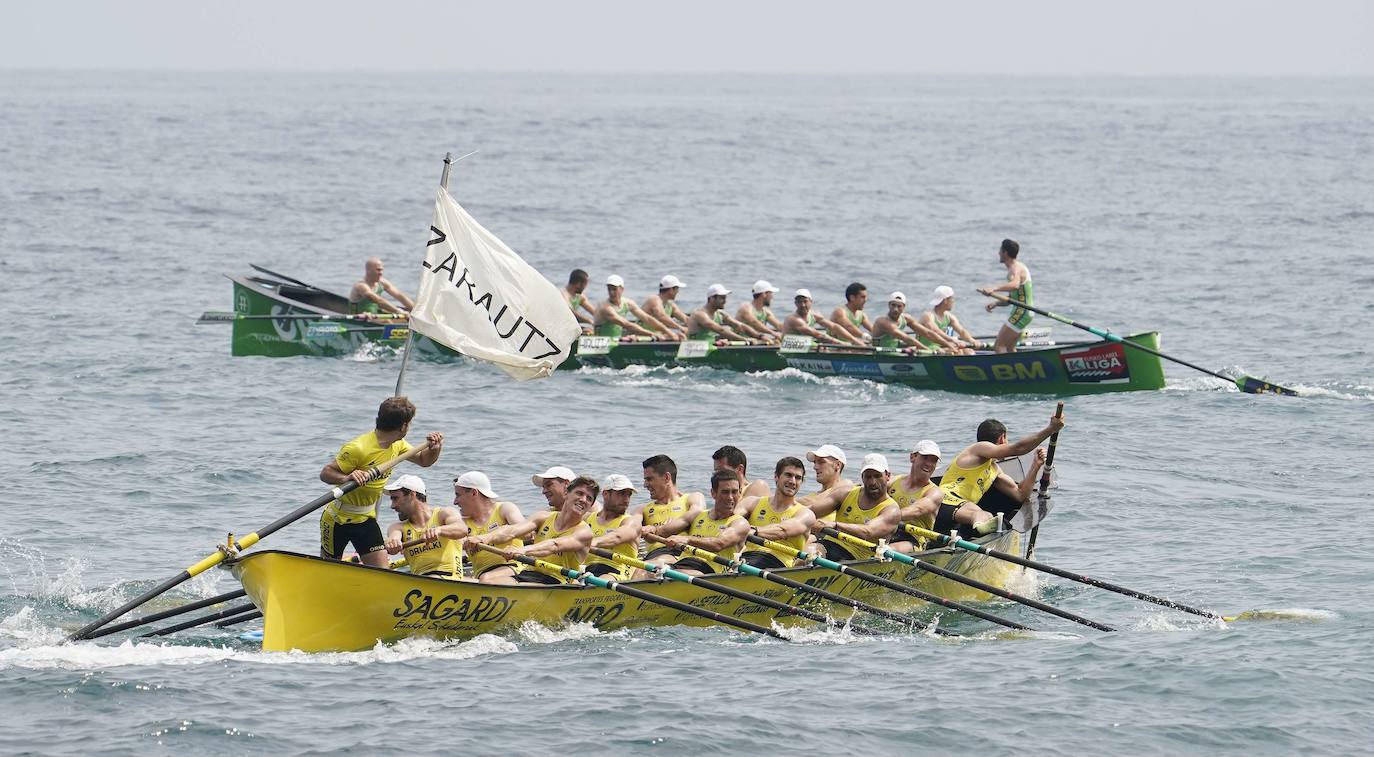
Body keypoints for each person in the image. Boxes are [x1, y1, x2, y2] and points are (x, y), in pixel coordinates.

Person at [319, 396, 443, 568]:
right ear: (403, 426)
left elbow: (424, 461)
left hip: (365, 519)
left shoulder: (398, 445)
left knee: (382, 571)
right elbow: (326, 473)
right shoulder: (358, 448)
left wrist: (435, 448)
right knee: (326, 569)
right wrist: (347, 478)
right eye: (410, 424)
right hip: (337, 520)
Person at [938, 416, 1063, 536]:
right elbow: (1019, 448)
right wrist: (1051, 429)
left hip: (956, 512)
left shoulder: (994, 469)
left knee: (980, 516)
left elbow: (1020, 494)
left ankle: (975, 530)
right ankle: (982, 527)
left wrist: (1035, 466)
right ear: (1002, 438)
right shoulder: (978, 448)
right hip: (942, 500)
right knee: (984, 515)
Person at [491, 477, 598, 585]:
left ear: (591, 506)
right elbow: (513, 531)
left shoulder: (584, 533)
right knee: (489, 582)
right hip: (529, 573)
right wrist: (483, 538)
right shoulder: (543, 517)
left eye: (589, 498)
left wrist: (522, 550)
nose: (583, 500)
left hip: (556, 581)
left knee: (507, 587)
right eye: (579, 493)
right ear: (566, 493)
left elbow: (554, 545)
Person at [806, 454, 902, 562]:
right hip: (829, 545)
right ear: (862, 478)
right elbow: (810, 512)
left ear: (888, 476)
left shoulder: (892, 510)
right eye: (868, 477)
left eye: (877, 476)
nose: (873, 482)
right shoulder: (845, 493)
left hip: (860, 558)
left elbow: (868, 531)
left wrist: (834, 525)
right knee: (808, 552)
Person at [660, 469, 752, 576]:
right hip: (682, 564)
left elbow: (718, 544)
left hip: (709, 570)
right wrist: (650, 529)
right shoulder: (698, 515)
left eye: (734, 492)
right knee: (644, 572)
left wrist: (688, 539)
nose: (730, 497)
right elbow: (663, 532)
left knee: (671, 575)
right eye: (725, 492)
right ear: (713, 493)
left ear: (740, 493)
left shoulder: (739, 523)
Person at [736, 457, 816, 569]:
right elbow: (731, 520)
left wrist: (753, 531)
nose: (792, 481)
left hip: (779, 563)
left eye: (798, 478)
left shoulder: (805, 514)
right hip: (746, 558)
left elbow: (782, 531)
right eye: (788, 475)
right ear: (776, 476)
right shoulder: (752, 503)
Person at [383, 474, 468, 578]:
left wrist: (439, 530)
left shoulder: (444, 514)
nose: (392, 506)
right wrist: (392, 542)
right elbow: (393, 536)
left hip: (451, 580)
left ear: (412, 495)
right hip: (422, 581)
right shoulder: (397, 527)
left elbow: (462, 529)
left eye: (395, 498)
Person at [454, 471, 528, 583]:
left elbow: (527, 534)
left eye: (458, 495)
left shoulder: (505, 509)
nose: (454, 502)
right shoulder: (461, 523)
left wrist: (490, 536)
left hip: (515, 569)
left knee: (486, 578)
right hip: (482, 576)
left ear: (474, 493)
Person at [638, 454, 707, 570]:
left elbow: (696, 513)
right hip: (656, 555)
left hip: (684, 554)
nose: (645, 485)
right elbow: (631, 527)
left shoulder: (692, 498)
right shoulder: (642, 509)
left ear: (666, 477)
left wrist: (657, 530)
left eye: (649, 479)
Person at [886, 440, 946, 554]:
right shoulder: (894, 481)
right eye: (925, 458)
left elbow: (917, 510)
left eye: (933, 460)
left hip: (913, 540)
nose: (929, 463)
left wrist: (883, 518)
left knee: (887, 550)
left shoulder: (935, 492)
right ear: (912, 457)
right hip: (887, 530)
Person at [977, 239, 1034, 353]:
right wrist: (996, 303)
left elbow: (1014, 285)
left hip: (1021, 312)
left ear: (1005, 253)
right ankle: (1017, 369)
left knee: (999, 346)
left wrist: (994, 288)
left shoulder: (1015, 268)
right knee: (1009, 348)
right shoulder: (1016, 268)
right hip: (1024, 312)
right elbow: (1013, 299)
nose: (998, 253)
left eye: (1000, 250)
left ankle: (1003, 370)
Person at [585, 474, 644, 579]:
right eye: (622, 494)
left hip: (616, 573)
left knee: (602, 579)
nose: (626, 500)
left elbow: (617, 537)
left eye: (629, 495)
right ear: (606, 494)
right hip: (588, 571)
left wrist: (592, 543)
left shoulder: (631, 521)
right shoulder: (587, 519)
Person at [871, 292, 966, 354]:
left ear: (904, 307)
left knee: (953, 350)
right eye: (893, 305)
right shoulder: (882, 322)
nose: (895, 309)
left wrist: (948, 344)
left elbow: (927, 333)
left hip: (896, 354)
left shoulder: (906, 318)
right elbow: (907, 338)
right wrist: (927, 350)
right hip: (881, 356)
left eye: (899, 306)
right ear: (889, 305)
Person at [594, 274, 672, 340]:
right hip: (600, 343)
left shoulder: (628, 302)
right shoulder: (605, 308)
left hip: (616, 340)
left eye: (614, 289)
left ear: (622, 289)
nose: (611, 292)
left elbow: (647, 318)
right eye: (609, 289)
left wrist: (668, 331)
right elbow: (627, 324)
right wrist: (653, 334)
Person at [686, 284, 767, 343]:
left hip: (712, 347)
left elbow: (740, 326)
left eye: (725, 298)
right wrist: (745, 340)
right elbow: (721, 330)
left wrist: (760, 336)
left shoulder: (720, 314)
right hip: (695, 350)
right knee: (727, 331)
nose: (725, 301)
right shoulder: (700, 315)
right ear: (712, 299)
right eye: (722, 298)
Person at [782, 289, 858, 346]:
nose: (802, 305)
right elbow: (818, 335)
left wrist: (854, 340)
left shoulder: (815, 315)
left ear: (811, 301)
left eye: (805, 301)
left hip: (805, 344)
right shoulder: (794, 319)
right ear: (795, 303)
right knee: (820, 345)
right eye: (799, 302)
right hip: (789, 346)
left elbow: (834, 327)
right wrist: (843, 344)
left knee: (818, 345)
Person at [918, 285, 981, 353]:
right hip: (926, 348)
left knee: (969, 351)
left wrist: (972, 340)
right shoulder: (928, 316)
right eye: (952, 298)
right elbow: (936, 331)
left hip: (942, 347)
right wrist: (953, 340)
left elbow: (962, 331)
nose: (953, 301)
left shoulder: (949, 317)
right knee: (957, 351)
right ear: (945, 300)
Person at [349, 257, 414, 317]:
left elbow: (400, 296)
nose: (381, 273)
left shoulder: (382, 282)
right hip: (359, 319)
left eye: (382, 270)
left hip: (374, 317)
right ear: (368, 270)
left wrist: (416, 310)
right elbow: (379, 301)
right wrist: (399, 311)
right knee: (387, 321)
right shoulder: (361, 286)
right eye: (378, 270)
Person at [640, 275, 690, 340]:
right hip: (643, 336)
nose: (678, 291)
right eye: (677, 289)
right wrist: (680, 327)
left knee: (682, 335)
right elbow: (662, 317)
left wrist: (698, 324)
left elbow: (685, 319)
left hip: (658, 336)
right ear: (671, 290)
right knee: (680, 335)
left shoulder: (670, 305)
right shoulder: (654, 299)